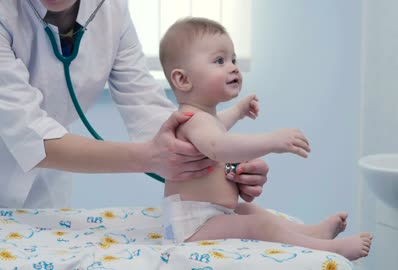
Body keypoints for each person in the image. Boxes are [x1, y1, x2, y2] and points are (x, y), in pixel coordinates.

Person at [0, 0, 269, 214]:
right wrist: (150, 156)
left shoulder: (111, 10)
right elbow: (29, 135)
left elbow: (149, 111)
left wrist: (224, 164)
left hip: (42, 186)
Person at [159, 17, 372, 261]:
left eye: (233, 59)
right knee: (257, 226)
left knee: (250, 210)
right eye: (219, 60)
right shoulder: (192, 120)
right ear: (183, 80)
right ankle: (329, 250)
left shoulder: (205, 120)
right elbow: (219, 148)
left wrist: (238, 111)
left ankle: (311, 233)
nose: (233, 67)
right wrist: (273, 140)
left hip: (209, 215)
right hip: (192, 227)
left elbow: (218, 130)